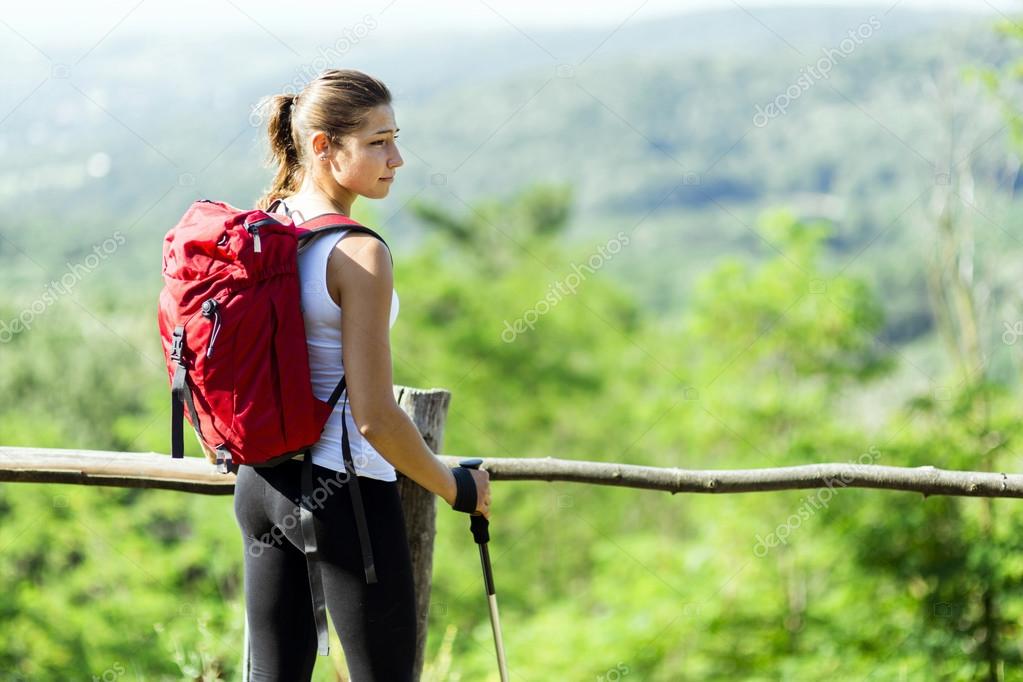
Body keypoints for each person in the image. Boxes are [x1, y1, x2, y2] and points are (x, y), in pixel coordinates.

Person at [231, 68, 492, 681]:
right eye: (377, 141)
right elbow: (375, 417)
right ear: (322, 146)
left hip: (262, 484)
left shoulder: (265, 227)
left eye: (395, 138)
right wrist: (453, 486)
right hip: (343, 495)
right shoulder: (359, 252)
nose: (396, 158)